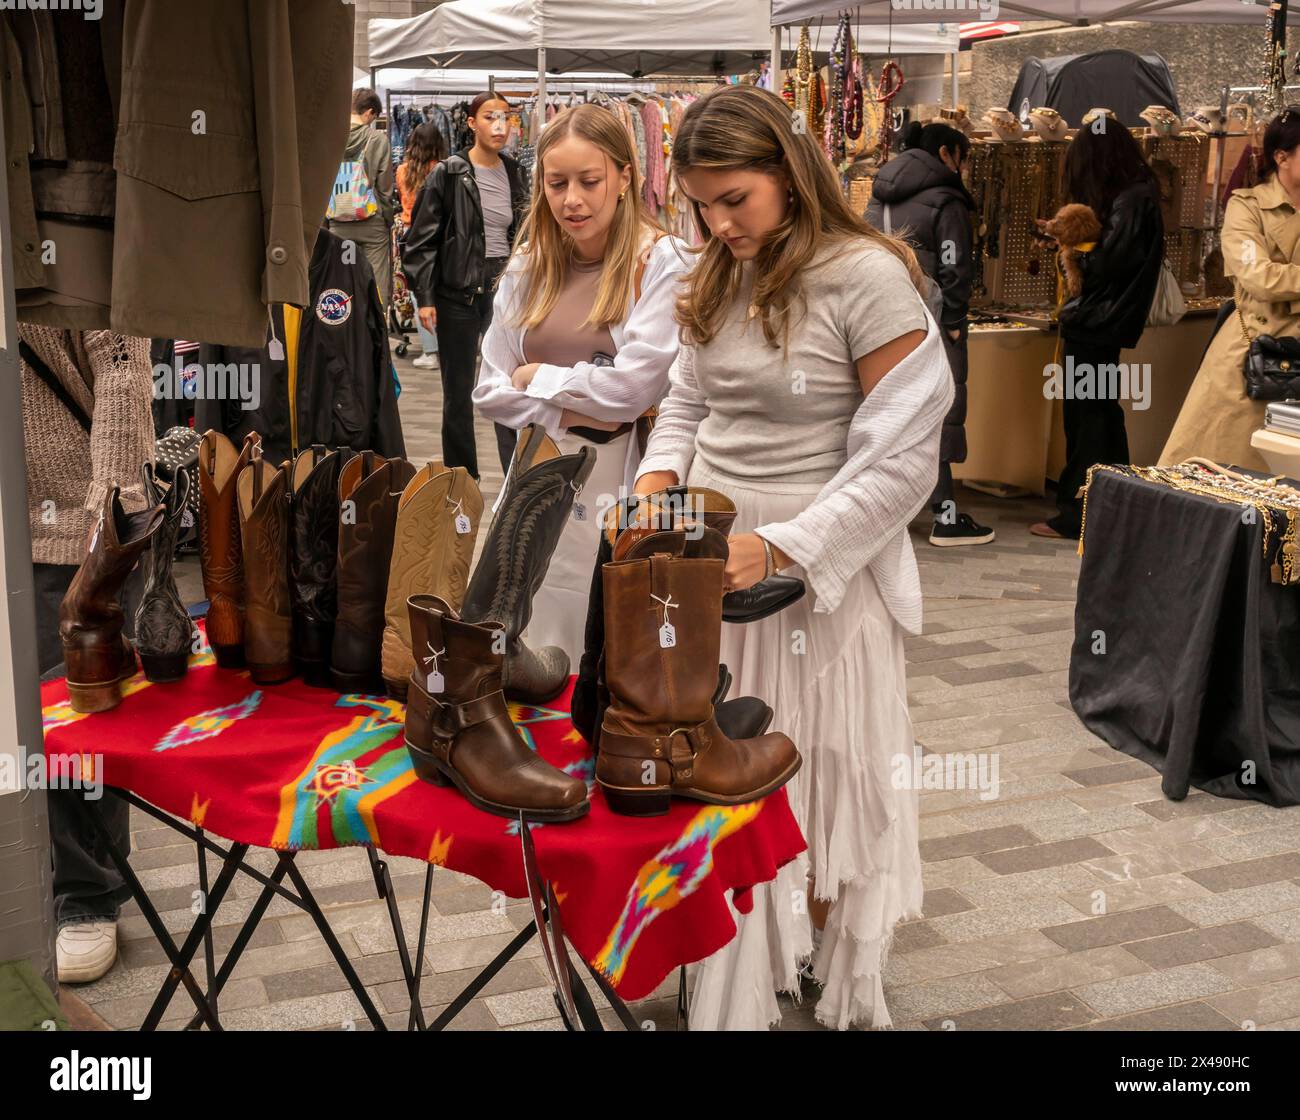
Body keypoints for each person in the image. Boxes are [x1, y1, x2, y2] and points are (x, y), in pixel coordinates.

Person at [633, 86, 953, 1030]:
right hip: (715, 553)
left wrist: (780, 546)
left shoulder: (866, 275)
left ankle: (809, 946)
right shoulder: (717, 269)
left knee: (821, 763)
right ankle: (747, 946)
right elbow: (689, 401)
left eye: (735, 198)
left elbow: (903, 464)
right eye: (699, 203)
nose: (717, 222)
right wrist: (658, 480)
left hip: (820, 563)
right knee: (725, 761)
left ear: (788, 172)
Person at [473, 104, 690, 663]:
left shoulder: (661, 260)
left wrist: (538, 378)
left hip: (623, 477)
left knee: (609, 628)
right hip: (539, 470)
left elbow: (636, 390)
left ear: (624, 177)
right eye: (556, 183)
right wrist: (581, 399)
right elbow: (489, 389)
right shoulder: (529, 264)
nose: (572, 199)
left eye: (589, 181)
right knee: (527, 613)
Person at [19, 326, 155, 985]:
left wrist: (107, 513)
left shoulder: (59, 232)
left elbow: (123, 365)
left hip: (69, 531)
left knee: (75, 729)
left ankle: (87, 892)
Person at [1031, 110, 1163, 540]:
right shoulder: (1136, 197)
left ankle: (1079, 511)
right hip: (1104, 324)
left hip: (1097, 324)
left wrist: (1075, 246)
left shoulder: (1132, 201)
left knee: (1088, 417)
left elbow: (1108, 263)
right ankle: (1112, 506)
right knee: (1101, 413)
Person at [867, 121, 993, 546]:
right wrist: (955, 320)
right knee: (940, 408)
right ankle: (946, 515)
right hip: (932, 318)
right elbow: (955, 266)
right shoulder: (946, 199)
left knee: (889, 410)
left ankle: (884, 508)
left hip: (880, 318)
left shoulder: (879, 194)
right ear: (946, 153)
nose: (964, 167)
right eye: (963, 157)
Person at [1161, 108, 1300, 471]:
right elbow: (1259, 278)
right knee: (1223, 468)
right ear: (1281, 156)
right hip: (1254, 354)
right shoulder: (1247, 206)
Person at [405, 92, 530, 479]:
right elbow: (420, 239)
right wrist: (425, 297)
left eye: (505, 118)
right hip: (457, 293)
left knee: (507, 385)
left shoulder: (515, 172)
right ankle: (462, 475)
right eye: (490, 117)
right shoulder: (449, 172)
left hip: (502, 290)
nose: (500, 125)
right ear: (471, 123)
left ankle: (513, 476)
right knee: (457, 391)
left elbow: (523, 231)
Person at [328, 88, 396, 307]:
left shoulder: (331, 137)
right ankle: (375, 327)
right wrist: (387, 217)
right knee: (377, 277)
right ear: (369, 112)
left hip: (337, 219)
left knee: (341, 276)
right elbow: (385, 186)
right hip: (371, 220)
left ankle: (344, 323)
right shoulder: (377, 139)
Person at [396, 122, 448, 370]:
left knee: (420, 291)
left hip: (411, 233)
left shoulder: (403, 171)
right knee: (442, 289)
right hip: (438, 232)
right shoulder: (443, 170)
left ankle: (431, 351)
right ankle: (446, 346)